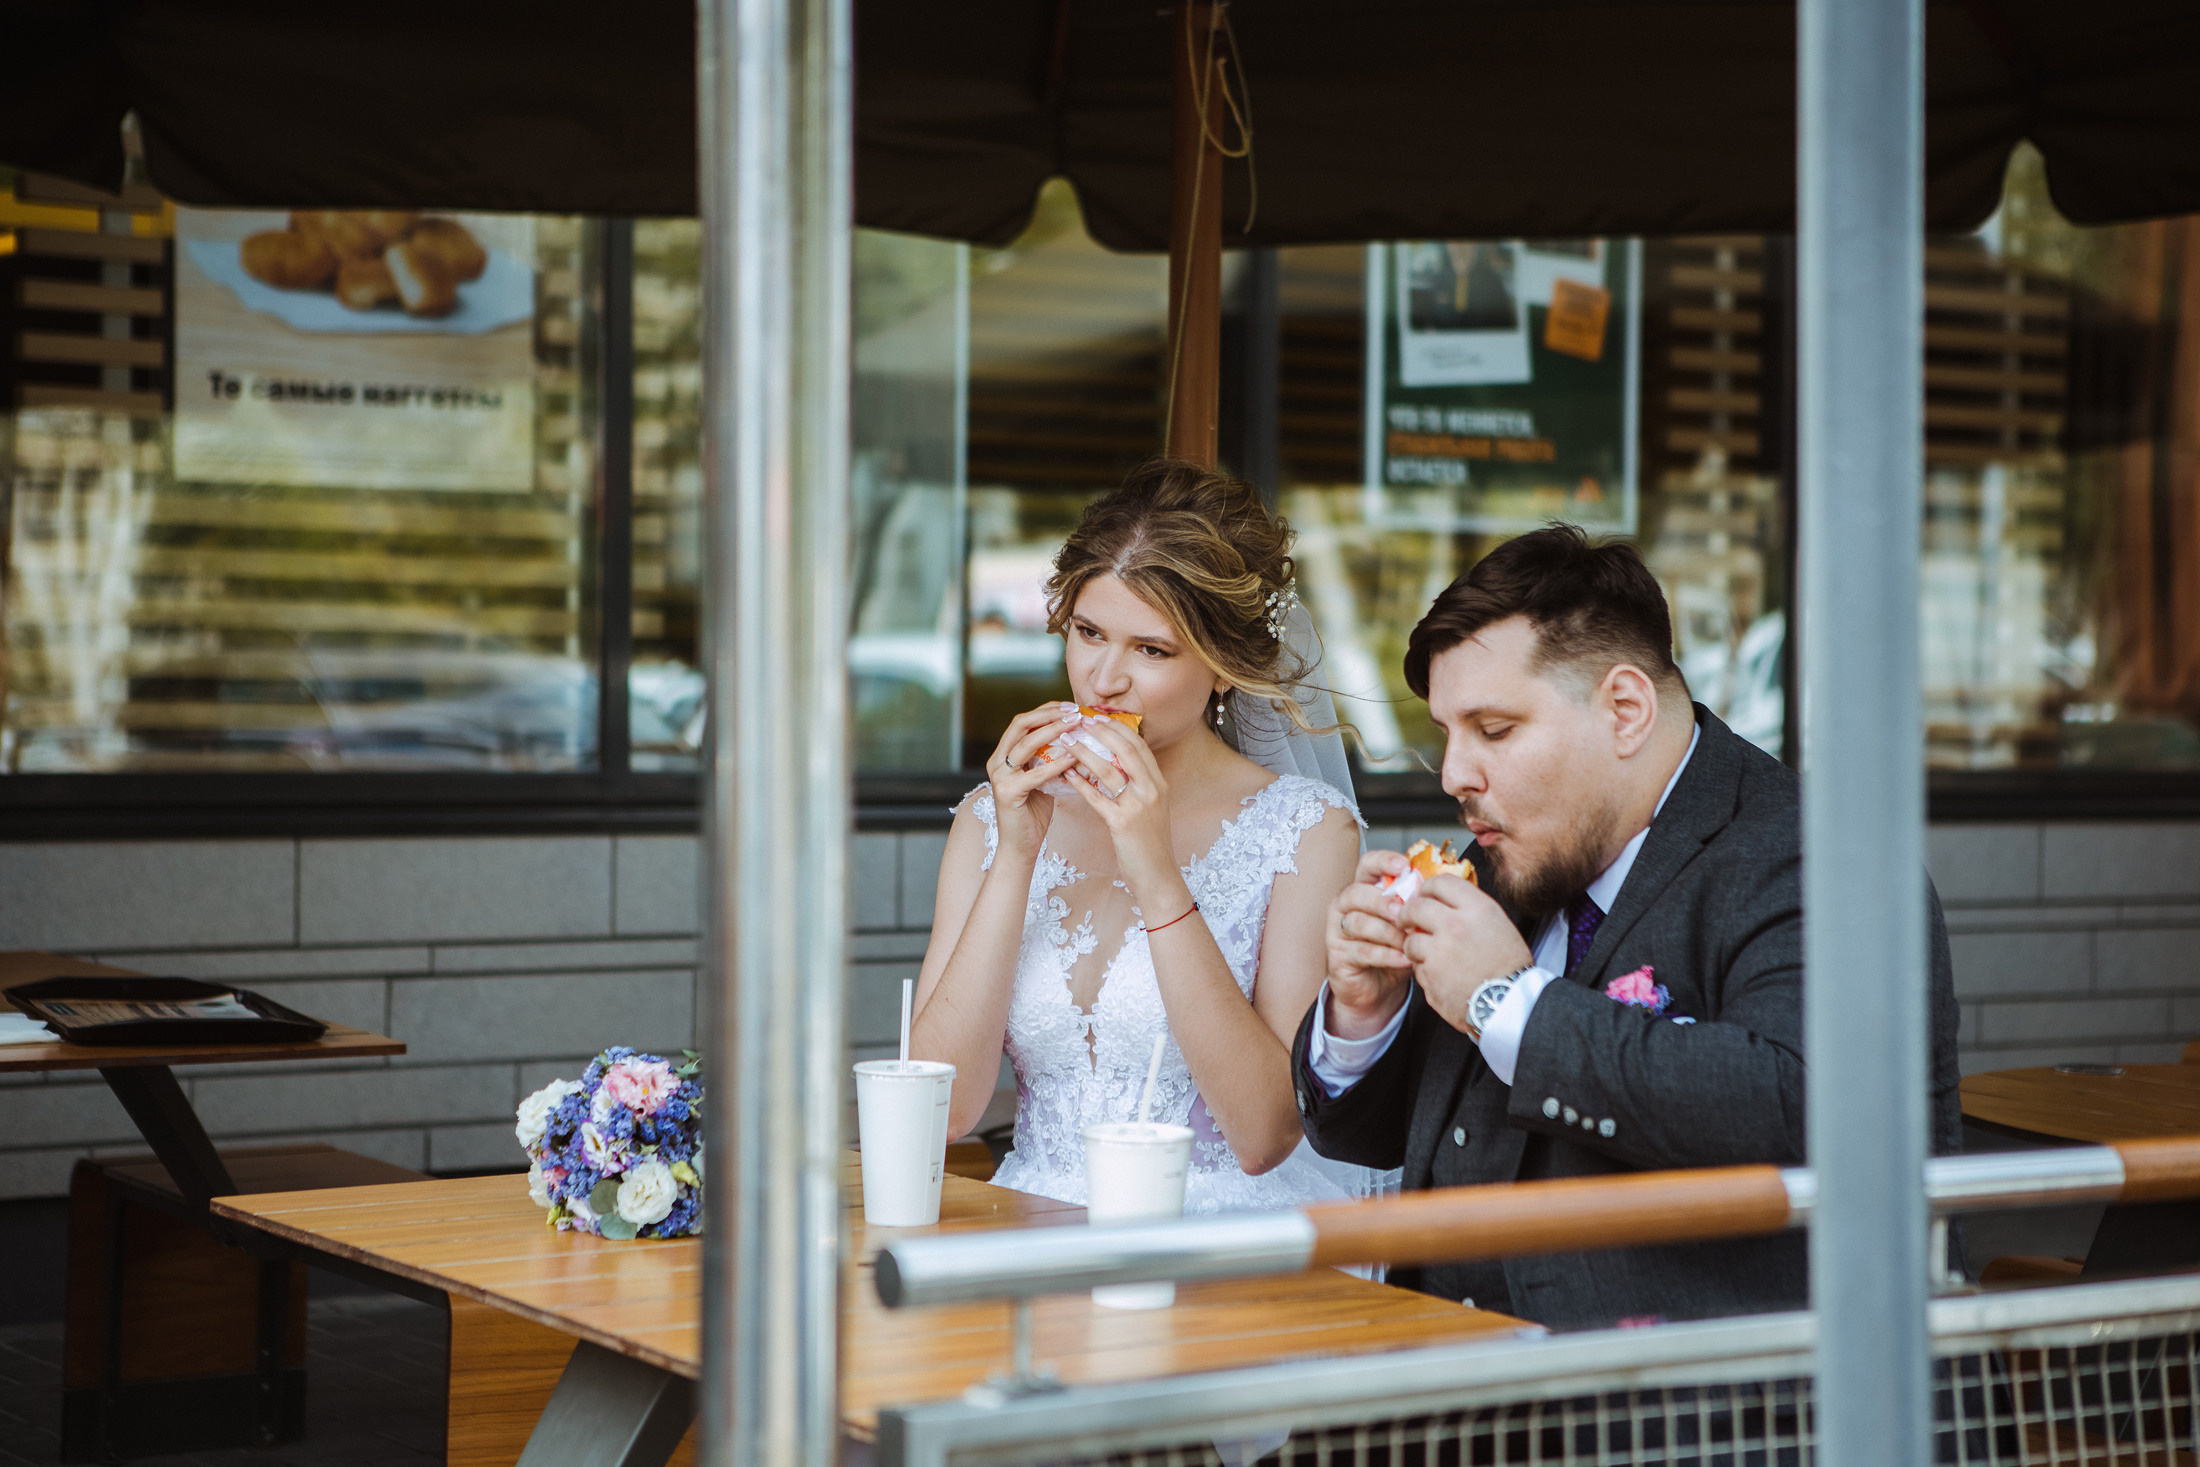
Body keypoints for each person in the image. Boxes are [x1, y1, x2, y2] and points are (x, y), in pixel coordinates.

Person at [1292, 525, 1962, 1329]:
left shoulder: (1828, 860)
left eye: (1495, 730)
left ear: (1625, 708)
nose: (1455, 775)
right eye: (1447, 733)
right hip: (1437, 1386)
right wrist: (1363, 1014)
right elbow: (1381, 1134)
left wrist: (1507, 1000)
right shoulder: (1506, 857)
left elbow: (1805, 1104)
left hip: (1712, 1413)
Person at [913, 459, 1383, 1211]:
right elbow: (942, 1114)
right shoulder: (991, 818)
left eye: (1152, 650)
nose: (1102, 680)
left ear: (1224, 668)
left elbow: (1266, 1131)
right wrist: (1016, 857)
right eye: (1089, 633)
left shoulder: (1304, 831)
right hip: (1035, 1218)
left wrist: (1155, 866)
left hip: (1218, 1232)